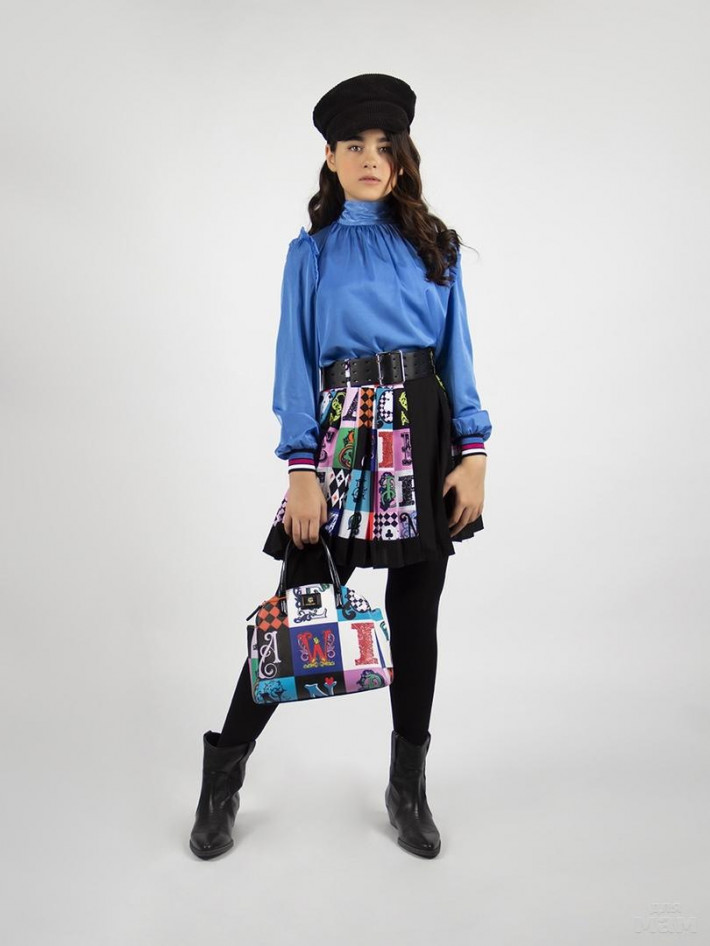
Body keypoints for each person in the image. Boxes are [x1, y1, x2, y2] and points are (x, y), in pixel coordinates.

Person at [189, 73, 492, 861]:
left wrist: (475, 453)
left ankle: (408, 787)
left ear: (401, 158)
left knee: (416, 620)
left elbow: (456, 358)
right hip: (343, 444)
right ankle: (222, 775)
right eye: (353, 146)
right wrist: (301, 468)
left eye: (384, 147)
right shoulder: (312, 254)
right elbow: (293, 363)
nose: (369, 159)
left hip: (424, 439)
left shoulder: (437, 247)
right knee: (298, 614)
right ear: (330, 158)